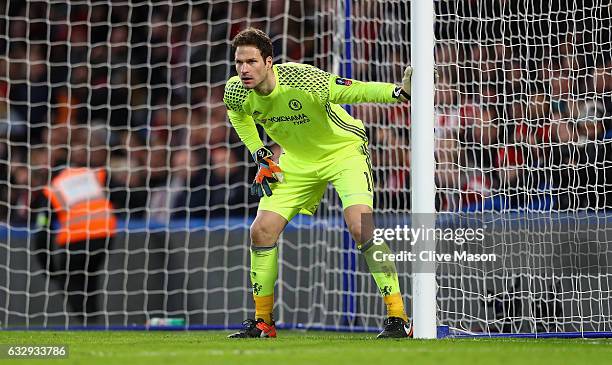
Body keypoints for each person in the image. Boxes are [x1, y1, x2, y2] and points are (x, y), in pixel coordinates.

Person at [224, 28, 414, 339]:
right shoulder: (236, 91)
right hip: (297, 161)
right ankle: (263, 322)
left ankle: (398, 317)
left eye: (251, 62)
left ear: (268, 62)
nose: (244, 69)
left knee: (360, 227)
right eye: (239, 62)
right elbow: (238, 115)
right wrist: (259, 149)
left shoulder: (301, 79)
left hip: (343, 153)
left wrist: (398, 93)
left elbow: (352, 90)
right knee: (260, 230)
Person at [32, 158, 117, 325]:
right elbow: (121, 193)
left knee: (69, 280)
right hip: (106, 235)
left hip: (77, 239)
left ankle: (88, 321)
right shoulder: (93, 174)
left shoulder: (53, 188)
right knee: (89, 276)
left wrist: (48, 269)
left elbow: (41, 233)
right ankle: (93, 320)